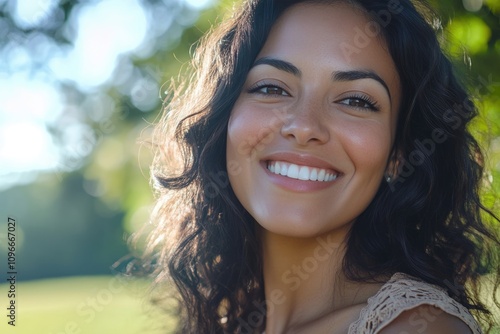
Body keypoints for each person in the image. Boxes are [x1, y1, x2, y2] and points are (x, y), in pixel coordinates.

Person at [138, 0, 500, 333]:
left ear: (398, 153)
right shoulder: (222, 321)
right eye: (272, 89)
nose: (304, 126)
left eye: (356, 100)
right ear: (225, 120)